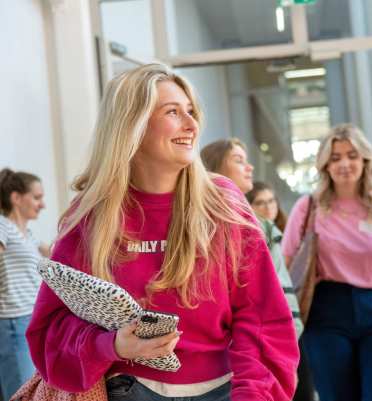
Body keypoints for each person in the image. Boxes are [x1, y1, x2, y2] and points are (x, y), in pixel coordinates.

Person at [25, 64, 299, 401]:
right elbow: (50, 333)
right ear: (133, 126)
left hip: (226, 390)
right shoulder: (92, 215)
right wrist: (110, 345)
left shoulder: (224, 203)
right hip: (128, 390)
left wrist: (253, 395)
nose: (191, 124)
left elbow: (262, 319)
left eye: (191, 111)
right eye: (173, 112)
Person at [282, 123, 372, 401]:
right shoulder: (308, 207)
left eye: (352, 155)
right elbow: (285, 271)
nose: (344, 163)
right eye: (335, 158)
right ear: (325, 166)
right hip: (326, 313)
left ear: (365, 160)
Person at [202, 141, 314, 401]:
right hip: (247, 349)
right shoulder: (213, 223)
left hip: (282, 338)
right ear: (217, 168)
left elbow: (279, 289)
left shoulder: (259, 223)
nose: (249, 167)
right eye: (239, 160)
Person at [0, 169, 48, 400]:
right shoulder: (2, 226)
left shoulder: (28, 234)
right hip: (12, 322)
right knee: (20, 394)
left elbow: (54, 253)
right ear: (16, 198)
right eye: (37, 197)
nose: (42, 205)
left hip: (31, 319)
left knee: (31, 391)